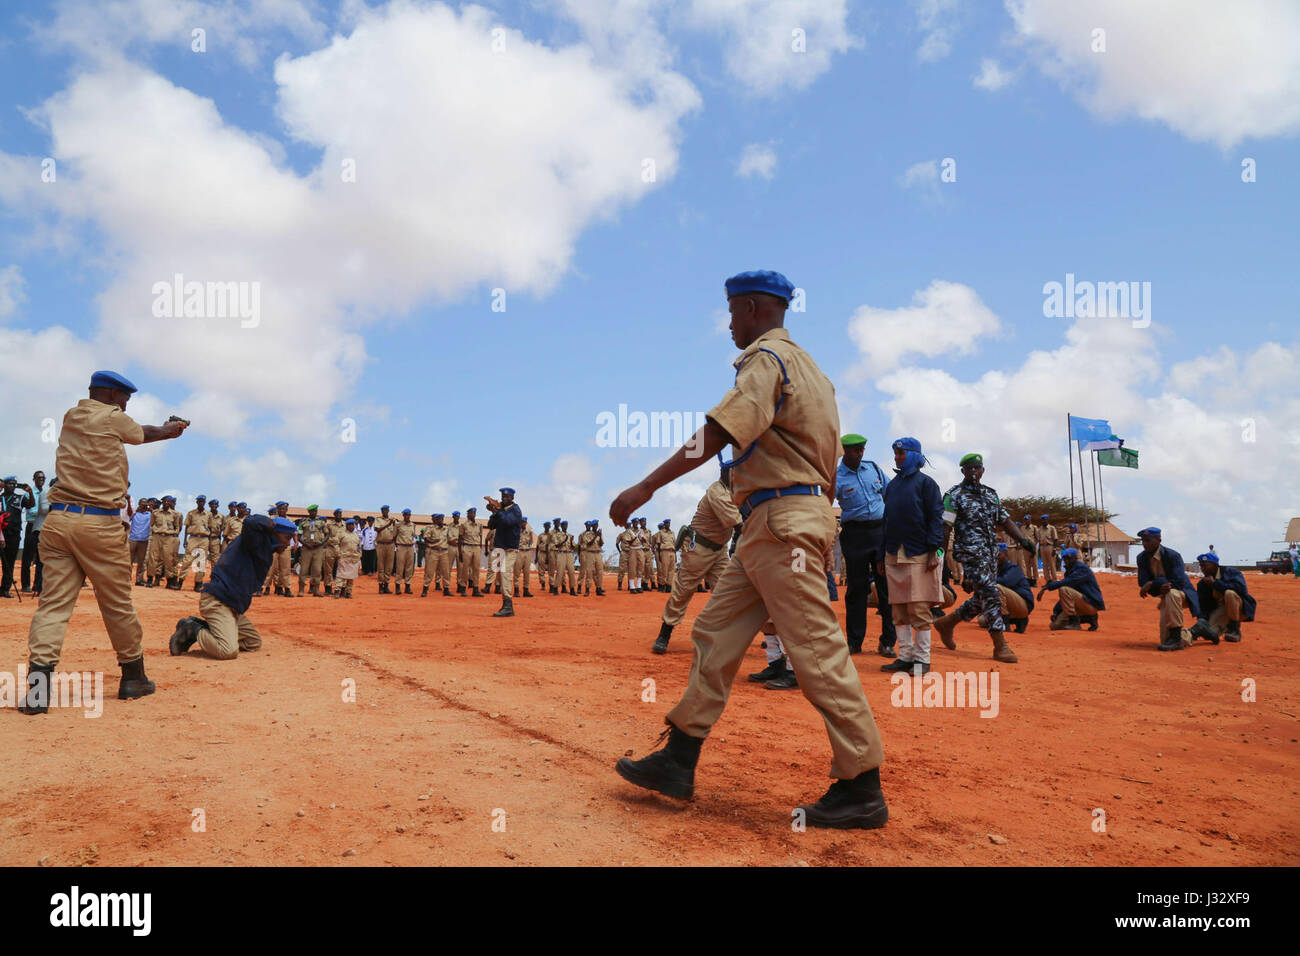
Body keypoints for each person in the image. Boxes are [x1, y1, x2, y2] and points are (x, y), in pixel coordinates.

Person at [613, 269, 888, 829]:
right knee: (715, 633)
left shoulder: (766, 360)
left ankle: (861, 785)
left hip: (780, 521)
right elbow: (829, 464)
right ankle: (679, 758)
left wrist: (646, 486)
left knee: (815, 650)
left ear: (758, 308)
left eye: (734, 311)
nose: (730, 323)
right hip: (771, 521)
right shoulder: (816, 373)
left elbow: (718, 431)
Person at [18, 370, 187, 714]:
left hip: (60, 521)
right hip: (99, 526)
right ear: (111, 395)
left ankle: (37, 693)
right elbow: (143, 434)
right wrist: (171, 430)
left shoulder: (71, 416)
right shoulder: (113, 417)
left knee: (52, 606)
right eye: (125, 398)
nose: (126, 405)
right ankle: (133, 678)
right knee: (116, 604)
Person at [928, 453, 1033, 665]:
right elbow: (946, 527)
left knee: (983, 595)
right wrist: (939, 553)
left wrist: (1023, 540)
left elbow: (1005, 520)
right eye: (970, 468)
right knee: (991, 592)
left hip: (990, 554)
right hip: (970, 553)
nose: (974, 471)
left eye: (977, 468)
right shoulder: (953, 495)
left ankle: (947, 623)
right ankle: (999, 644)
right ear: (963, 471)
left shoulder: (990, 495)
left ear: (983, 470)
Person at [168, 515, 297, 659]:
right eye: (287, 537)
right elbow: (251, 522)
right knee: (227, 650)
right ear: (273, 534)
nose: (289, 543)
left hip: (233, 606)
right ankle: (192, 630)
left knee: (253, 642)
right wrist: (272, 524)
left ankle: (210, 629)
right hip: (218, 602)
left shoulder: (264, 549)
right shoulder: (252, 541)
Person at [652, 469, 741, 654]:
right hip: (699, 549)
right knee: (683, 590)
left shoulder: (736, 490)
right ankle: (664, 633)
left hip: (719, 550)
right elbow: (739, 523)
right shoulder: (717, 492)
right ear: (727, 472)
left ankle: (719, 638)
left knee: (726, 592)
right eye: (736, 470)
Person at [877, 437, 945, 675]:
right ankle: (905, 656)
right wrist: (881, 553)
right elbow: (886, 521)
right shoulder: (893, 485)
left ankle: (922, 659)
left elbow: (936, 518)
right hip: (893, 552)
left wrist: (934, 549)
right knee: (898, 608)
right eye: (895, 454)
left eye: (901, 453)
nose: (897, 458)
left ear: (914, 455)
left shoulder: (927, 484)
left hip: (919, 552)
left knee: (918, 606)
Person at [834, 433, 896, 656]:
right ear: (844, 451)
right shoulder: (836, 477)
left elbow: (891, 493)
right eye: (855, 450)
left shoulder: (874, 469)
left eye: (862, 449)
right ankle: (854, 642)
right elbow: (824, 502)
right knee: (857, 589)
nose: (860, 453)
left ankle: (888, 642)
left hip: (880, 532)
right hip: (855, 535)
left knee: (886, 588)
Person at [1135, 527, 1200, 652]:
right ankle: (1196, 631)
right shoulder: (1141, 558)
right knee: (1164, 641)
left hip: (1182, 593)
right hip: (1165, 596)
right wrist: (1155, 585)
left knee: (1172, 593)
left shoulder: (1173, 556)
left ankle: (1176, 638)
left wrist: (1153, 583)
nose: (1144, 544)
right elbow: (1142, 582)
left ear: (1159, 540)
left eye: (1148, 540)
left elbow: (1177, 582)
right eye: (1143, 541)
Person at [1190, 553, 1255, 644]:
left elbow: (1242, 590)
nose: (1203, 569)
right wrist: (1202, 622)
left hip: (1239, 608)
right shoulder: (1202, 584)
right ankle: (1225, 626)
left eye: (1205, 565)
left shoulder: (1231, 572)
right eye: (1201, 566)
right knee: (1210, 632)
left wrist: (1215, 584)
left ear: (1215, 565)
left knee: (1230, 593)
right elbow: (1203, 605)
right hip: (1221, 609)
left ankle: (1234, 629)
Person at [1038, 547, 1106, 630]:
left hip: (1090, 603)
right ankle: (1089, 618)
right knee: (1054, 626)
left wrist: (1048, 587)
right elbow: (1067, 597)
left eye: (1069, 558)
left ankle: (1075, 622)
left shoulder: (1082, 569)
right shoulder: (1070, 571)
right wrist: (1056, 612)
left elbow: (1068, 582)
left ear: (1075, 558)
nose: (1066, 561)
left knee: (1064, 589)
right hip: (1081, 603)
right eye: (1065, 558)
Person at [483, 489, 523, 616]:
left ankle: (508, 605)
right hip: (501, 547)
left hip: (511, 548)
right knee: (498, 572)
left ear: (512, 497)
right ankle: (506, 604)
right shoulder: (502, 511)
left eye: (506, 497)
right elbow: (491, 525)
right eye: (502, 496)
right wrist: (494, 512)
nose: (503, 499)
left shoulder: (515, 510)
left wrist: (498, 510)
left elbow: (507, 521)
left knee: (505, 573)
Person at [1, 476, 37, 598]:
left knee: (9, 562)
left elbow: (31, 504)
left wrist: (30, 492)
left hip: (13, 534)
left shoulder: (19, 498)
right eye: (9, 483)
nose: (12, 486)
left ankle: (5, 589)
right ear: (4, 485)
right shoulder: (0, 498)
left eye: (14, 484)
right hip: (1, 533)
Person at [21, 470, 49, 595]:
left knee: (41, 558)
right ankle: (25, 584)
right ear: (34, 479)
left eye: (43, 478)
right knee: (27, 556)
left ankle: (37, 585)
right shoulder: (28, 494)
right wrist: (43, 511)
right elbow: (32, 511)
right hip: (31, 526)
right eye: (38, 478)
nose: (41, 480)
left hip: (42, 527)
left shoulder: (46, 493)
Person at [176, 494, 211, 591]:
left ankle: (198, 584)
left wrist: (209, 542)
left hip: (204, 539)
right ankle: (180, 582)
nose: (201, 503)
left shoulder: (208, 514)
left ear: (204, 503)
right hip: (193, 538)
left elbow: (211, 528)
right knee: (187, 560)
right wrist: (185, 540)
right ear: (197, 502)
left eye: (202, 501)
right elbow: (186, 527)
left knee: (201, 562)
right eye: (199, 501)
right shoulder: (191, 513)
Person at [297, 505, 330, 596]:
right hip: (306, 548)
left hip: (318, 548)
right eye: (312, 511)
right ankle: (301, 590)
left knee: (317, 569)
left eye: (315, 511)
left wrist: (322, 543)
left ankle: (316, 590)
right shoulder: (303, 522)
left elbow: (327, 534)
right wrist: (305, 544)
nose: (314, 513)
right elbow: (299, 536)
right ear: (309, 512)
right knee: (303, 569)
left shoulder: (321, 522)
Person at [421, 514, 453, 596]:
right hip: (434, 551)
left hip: (444, 552)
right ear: (436, 520)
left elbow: (450, 539)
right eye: (439, 519)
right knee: (430, 572)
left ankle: (446, 589)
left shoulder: (446, 529)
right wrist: (432, 541)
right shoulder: (431, 528)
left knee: (446, 572)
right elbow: (426, 537)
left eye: (442, 519)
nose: (441, 521)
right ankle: (425, 589)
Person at [458, 507, 484, 597]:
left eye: (474, 513)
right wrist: (460, 552)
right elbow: (460, 539)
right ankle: (463, 588)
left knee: (476, 569)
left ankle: (475, 589)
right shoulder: (463, 525)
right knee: (465, 569)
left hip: (476, 548)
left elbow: (480, 537)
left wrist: (480, 547)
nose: (473, 514)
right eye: (471, 513)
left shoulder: (479, 525)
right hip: (467, 547)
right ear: (468, 515)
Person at [333, 518, 362, 598]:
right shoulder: (341, 534)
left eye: (353, 525)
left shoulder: (356, 535)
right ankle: (337, 591)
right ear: (347, 526)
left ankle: (348, 592)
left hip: (354, 558)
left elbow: (359, 546)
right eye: (350, 525)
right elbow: (336, 544)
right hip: (344, 557)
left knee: (351, 577)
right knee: (341, 576)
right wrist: (339, 554)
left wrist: (359, 555)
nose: (352, 526)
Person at [128, 495, 153, 585]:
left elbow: (156, 517)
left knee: (141, 562)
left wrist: (151, 509)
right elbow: (128, 516)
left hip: (144, 540)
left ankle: (139, 579)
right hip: (132, 539)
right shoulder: (134, 514)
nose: (144, 505)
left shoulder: (150, 514)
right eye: (142, 504)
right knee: (128, 561)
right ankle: (127, 579)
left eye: (145, 504)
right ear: (139, 504)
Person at [374, 504, 398, 593]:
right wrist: (388, 524)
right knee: (381, 566)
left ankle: (386, 585)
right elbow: (377, 530)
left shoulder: (393, 520)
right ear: (381, 511)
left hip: (390, 545)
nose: (385, 511)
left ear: (388, 510)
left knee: (389, 567)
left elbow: (396, 532)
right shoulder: (378, 520)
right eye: (384, 510)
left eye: (387, 510)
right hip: (381, 545)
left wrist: (394, 524)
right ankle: (380, 586)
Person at [394, 508, 417, 594]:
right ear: (403, 515)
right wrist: (397, 545)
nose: (407, 516)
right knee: (400, 567)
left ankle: (408, 586)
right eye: (406, 515)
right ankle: (398, 587)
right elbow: (394, 536)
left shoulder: (413, 525)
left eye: (408, 515)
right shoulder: (398, 525)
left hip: (410, 547)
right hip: (401, 547)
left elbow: (414, 535)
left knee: (409, 568)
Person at [514, 517, 535, 598]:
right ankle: (516, 590)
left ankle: (526, 590)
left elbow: (531, 541)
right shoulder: (515, 531)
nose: (524, 523)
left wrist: (528, 547)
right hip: (518, 552)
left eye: (525, 522)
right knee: (517, 572)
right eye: (522, 522)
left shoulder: (529, 532)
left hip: (527, 552)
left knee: (527, 572)